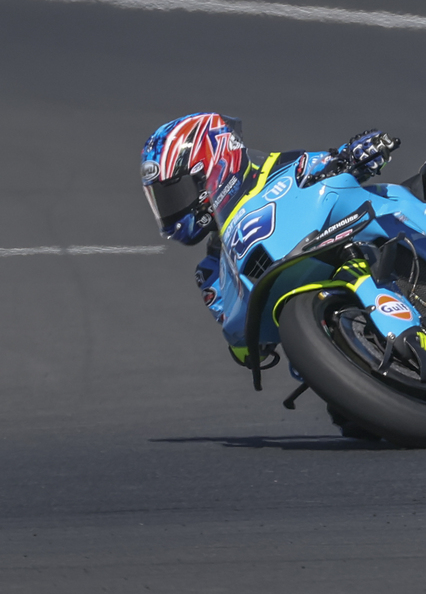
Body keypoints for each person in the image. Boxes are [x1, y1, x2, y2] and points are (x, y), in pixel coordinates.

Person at [141, 112, 394, 434]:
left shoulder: (285, 166)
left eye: (176, 194)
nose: (172, 208)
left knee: (404, 203)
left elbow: (333, 163)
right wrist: (244, 341)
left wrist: (358, 152)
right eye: (163, 200)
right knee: (355, 422)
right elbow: (246, 349)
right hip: (322, 326)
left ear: (212, 167)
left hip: (351, 246)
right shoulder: (211, 270)